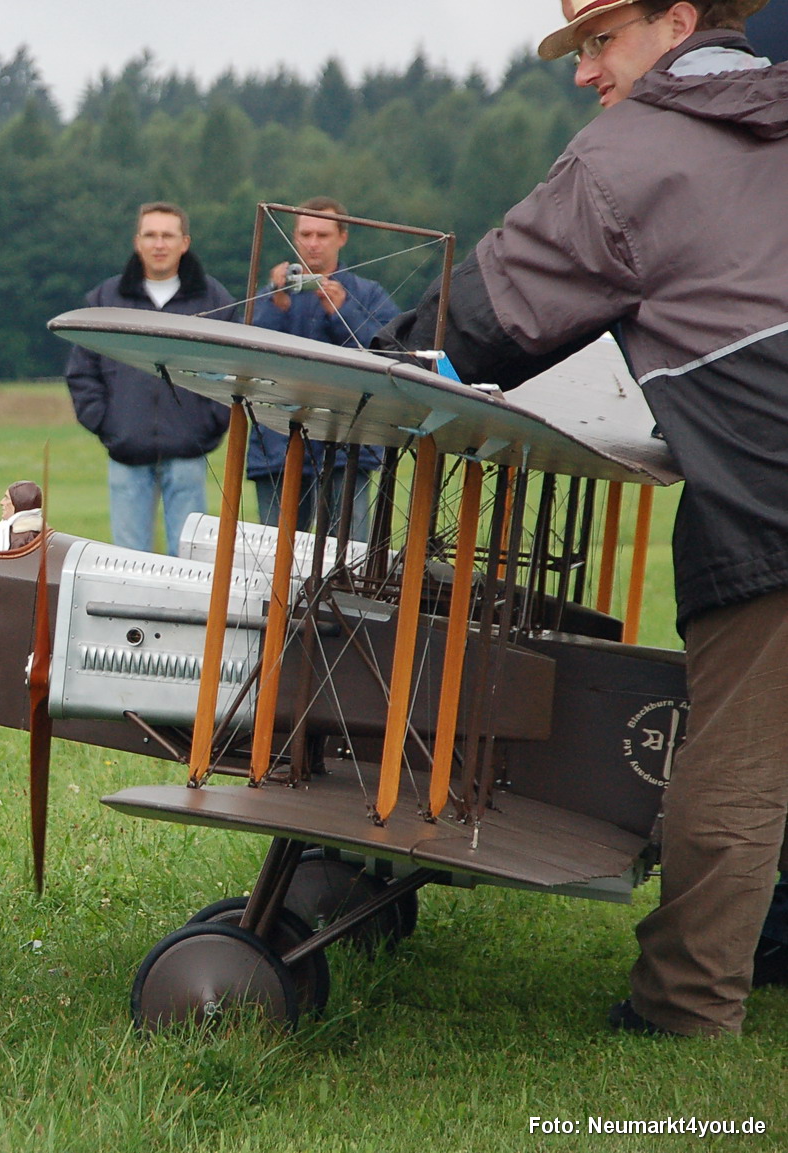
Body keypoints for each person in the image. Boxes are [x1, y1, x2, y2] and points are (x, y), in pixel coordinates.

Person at [378, 0, 785, 1036]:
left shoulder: (631, 153)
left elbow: (488, 317)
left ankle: (686, 1004)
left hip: (771, 495)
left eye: (601, 40)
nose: (584, 71)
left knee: (736, 763)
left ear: (678, 19)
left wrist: (380, 363)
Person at [66, 202, 237, 556]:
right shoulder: (105, 299)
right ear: (137, 241)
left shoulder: (214, 300)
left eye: (168, 236)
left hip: (189, 452)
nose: (159, 244)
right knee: (128, 561)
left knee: (189, 560)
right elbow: (82, 371)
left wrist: (209, 424)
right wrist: (108, 425)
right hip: (126, 453)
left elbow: (233, 370)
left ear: (184, 242)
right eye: (150, 235)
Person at [247, 197, 400, 542]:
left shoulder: (367, 294)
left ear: (342, 237)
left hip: (348, 444)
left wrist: (341, 312)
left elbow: (387, 354)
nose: (313, 243)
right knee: (272, 551)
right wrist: (277, 304)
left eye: (323, 235)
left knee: (348, 551)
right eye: (305, 234)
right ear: (294, 237)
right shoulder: (272, 294)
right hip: (277, 444)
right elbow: (247, 351)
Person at [0, 480, 43, 550]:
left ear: (18, 503)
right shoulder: (15, 533)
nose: (1, 502)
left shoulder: (21, 540)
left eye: (7, 498)